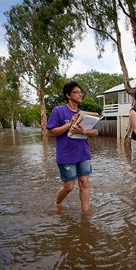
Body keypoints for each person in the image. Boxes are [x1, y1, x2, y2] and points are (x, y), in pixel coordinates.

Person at [46, 81, 99, 211]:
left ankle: (86, 213)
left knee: (84, 183)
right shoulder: (58, 111)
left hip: (83, 153)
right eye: (77, 92)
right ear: (68, 95)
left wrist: (83, 131)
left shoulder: (85, 114)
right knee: (69, 187)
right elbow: (50, 132)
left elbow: (96, 132)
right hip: (66, 155)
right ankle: (57, 204)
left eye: (81, 92)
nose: (80, 94)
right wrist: (70, 124)